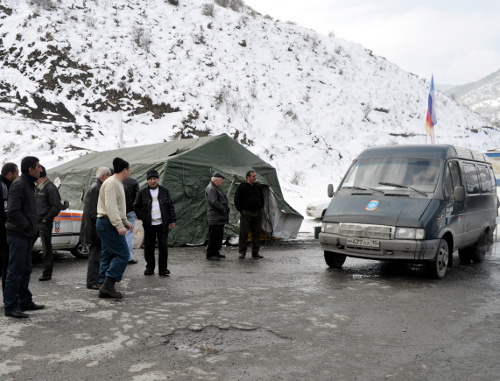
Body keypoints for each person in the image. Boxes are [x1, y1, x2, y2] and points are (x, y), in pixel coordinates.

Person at [3, 156, 44, 318]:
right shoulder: (19, 185)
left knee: (26, 269)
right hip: (18, 234)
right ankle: (10, 306)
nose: (40, 169)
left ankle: (25, 301)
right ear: (30, 169)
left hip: (26, 235)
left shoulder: (28, 184)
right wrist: (27, 225)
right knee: (15, 271)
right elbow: (12, 212)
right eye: (38, 167)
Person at [96, 158, 133, 299]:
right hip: (108, 223)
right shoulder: (112, 183)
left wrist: (124, 221)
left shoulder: (116, 183)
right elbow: (111, 207)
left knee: (108, 254)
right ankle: (108, 285)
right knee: (123, 254)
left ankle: (103, 283)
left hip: (107, 222)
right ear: (124, 170)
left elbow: (117, 207)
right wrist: (119, 225)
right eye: (129, 170)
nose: (129, 172)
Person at [134, 169, 177, 276]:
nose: (153, 181)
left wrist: (172, 220)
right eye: (151, 179)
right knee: (149, 247)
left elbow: (170, 206)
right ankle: (149, 268)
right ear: (148, 180)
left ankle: (163, 269)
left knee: (163, 246)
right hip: (149, 225)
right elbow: (136, 207)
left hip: (162, 224)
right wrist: (144, 217)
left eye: (155, 179)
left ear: (158, 179)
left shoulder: (165, 191)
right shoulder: (142, 192)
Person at [80, 167, 111, 290]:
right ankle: (92, 281)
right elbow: (93, 212)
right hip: (94, 228)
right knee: (95, 256)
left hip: (94, 226)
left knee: (97, 255)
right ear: (105, 177)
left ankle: (96, 279)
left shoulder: (96, 186)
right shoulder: (96, 188)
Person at [35, 166, 63, 281]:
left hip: (44, 222)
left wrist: (46, 219)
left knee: (46, 248)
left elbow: (56, 207)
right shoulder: (36, 187)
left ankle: (47, 273)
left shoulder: (50, 187)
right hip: (35, 221)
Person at [234, 170, 265, 259]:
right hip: (246, 213)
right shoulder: (242, 186)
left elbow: (261, 198)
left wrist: (261, 208)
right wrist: (242, 210)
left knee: (256, 233)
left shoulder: (258, 186)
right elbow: (237, 200)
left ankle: (255, 252)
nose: (255, 178)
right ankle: (242, 252)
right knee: (244, 233)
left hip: (257, 212)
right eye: (253, 176)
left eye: (255, 176)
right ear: (248, 177)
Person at [1, 162, 19, 292]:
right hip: (4, 232)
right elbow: (6, 210)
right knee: (6, 266)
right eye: (16, 173)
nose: (18, 176)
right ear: (9, 174)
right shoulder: (4, 186)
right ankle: (9, 299)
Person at [204, 172, 229, 261]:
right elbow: (213, 201)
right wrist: (223, 209)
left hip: (219, 217)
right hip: (215, 216)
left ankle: (216, 252)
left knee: (218, 235)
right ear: (216, 180)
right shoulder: (211, 188)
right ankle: (210, 254)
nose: (222, 182)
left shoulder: (215, 188)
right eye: (221, 180)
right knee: (213, 235)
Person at [122, 176, 139, 264]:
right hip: (129, 211)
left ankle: (119, 256)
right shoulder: (133, 181)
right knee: (128, 234)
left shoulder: (113, 180)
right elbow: (137, 197)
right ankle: (128, 257)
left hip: (117, 212)